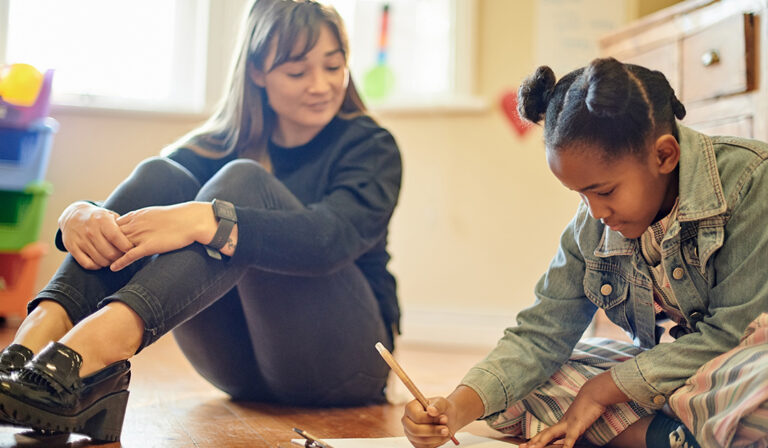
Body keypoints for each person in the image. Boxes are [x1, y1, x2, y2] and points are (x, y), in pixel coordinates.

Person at [0, 0, 402, 442]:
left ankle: (94, 349)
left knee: (242, 183)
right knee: (163, 175)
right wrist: (78, 213)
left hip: (344, 364)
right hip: (235, 367)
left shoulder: (370, 146)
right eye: (297, 72)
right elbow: (142, 204)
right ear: (256, 72)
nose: (321, 85)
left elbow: (330, 240)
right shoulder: (218, 143)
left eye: (334, 66)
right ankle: (30, 346)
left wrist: (209, 222)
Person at [400, 57, 768, 448]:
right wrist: (454, 410)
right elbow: (540, 334)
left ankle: (672, 434)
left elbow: (732, 336)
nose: (594, 211)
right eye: (580, 194)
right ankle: (677, 436)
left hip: (739, 365)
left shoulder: (751, 180)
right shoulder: (592, 222)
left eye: (605, 191)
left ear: (664, 156)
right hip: (679, 379)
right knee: (526, 384)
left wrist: (601, 390)